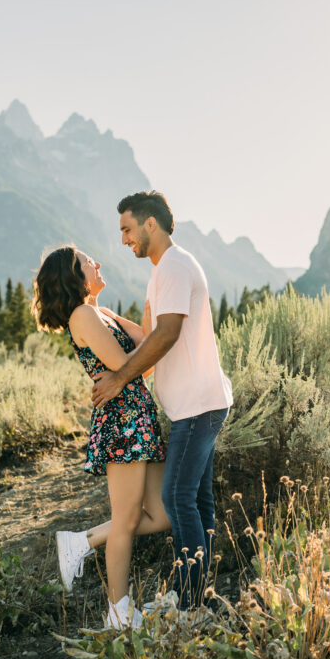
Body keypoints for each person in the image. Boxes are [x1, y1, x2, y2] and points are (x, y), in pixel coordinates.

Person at [92, 191, 233, 610]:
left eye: (127, 229)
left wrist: (119, 378)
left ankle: (189, 604)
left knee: (176, 498)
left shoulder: (173, 265)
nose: (123, 240)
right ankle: (197, 595)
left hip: (198, 406)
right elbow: (147, 336)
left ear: (150, 224)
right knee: (197, 501)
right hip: (196, 403)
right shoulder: (163, 270)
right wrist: (100, 313)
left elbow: (167, 334)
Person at [33, 246, 169, 629]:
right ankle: (119, 613)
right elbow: (127, 364)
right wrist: (143, 353)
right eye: (89, 261)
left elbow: (151, 346)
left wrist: (151, 313)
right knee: (125, 521)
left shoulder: (101, 312)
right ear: (75, 274)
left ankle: (81, 542)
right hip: (122, 421)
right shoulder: (83, 315)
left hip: (138, 416)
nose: (98, 263)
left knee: (162, 516)